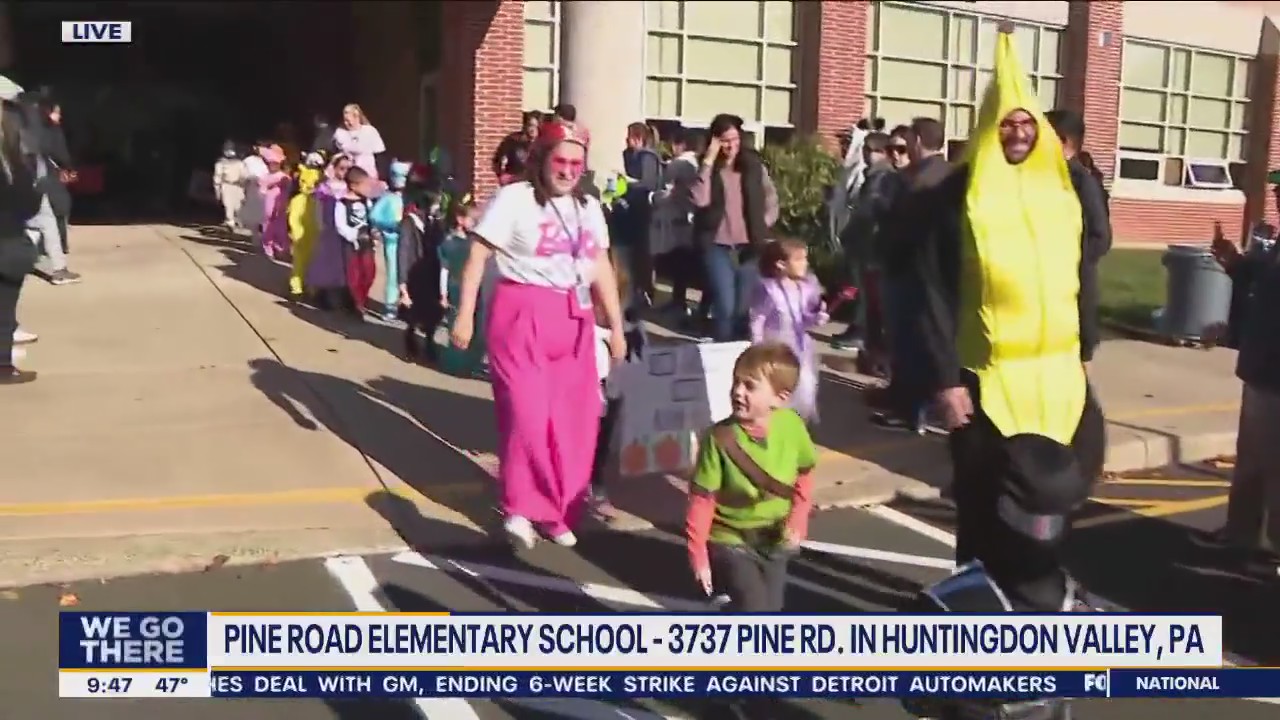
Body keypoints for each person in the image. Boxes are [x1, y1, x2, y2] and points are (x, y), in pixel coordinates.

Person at [903, 24, 1106, 612]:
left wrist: (1084, 347)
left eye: (1027, 122)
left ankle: (1034, 603)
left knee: (1049, 496)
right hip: (985, 381)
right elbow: (931, 290)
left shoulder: (1065, 190)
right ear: (991, 129)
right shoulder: (957, 196)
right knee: (981, 500)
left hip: (1058, 378)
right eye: (1007, 122)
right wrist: (944, 378)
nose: (1018, 132)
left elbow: (1083, 268)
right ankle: (969, 614)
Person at [450, 120, 627, 550]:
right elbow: (478, 254)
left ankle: (556, 509)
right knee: (526, 417)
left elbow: (600, 265)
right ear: (542, 159)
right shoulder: (515, 199)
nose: (568, 170)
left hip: (575, 316)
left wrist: (616, 327)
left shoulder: (589, 207)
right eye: (560, 160)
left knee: (575, 423)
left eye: (576, 163)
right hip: (521, 312)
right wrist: (465, 314)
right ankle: (518, 507)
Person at [685, 341, 816, 612]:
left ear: (780, 398)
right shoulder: (718, 439)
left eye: (750, 386)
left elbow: (805, 472)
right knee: (757, 610)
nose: (737, 392)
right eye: (736, 382)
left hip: (774, 538)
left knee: (772, 609)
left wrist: (799, 517)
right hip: (731, 539)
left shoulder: (792, 425)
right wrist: (698, 555)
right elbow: (702, 499)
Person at [1193, 214, 1280, 574]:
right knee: (1252, 463)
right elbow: (1263, 288)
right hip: (1261, 368)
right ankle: (1240, 533)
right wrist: (1234, 263)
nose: (1277, 196)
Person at [873, 116, 949, 433]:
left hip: (911, 272)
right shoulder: (951, 174)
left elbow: (903, 227)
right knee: (931, 343)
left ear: (917, 141)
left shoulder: (917, 180)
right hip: (939, 273)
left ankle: (911, 412)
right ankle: (924, 407)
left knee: (909, 343)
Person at [690, 113, 780, 342]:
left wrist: (764, 223)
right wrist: (708, 161)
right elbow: (699, 200)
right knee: (725, 305)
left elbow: (771, 199)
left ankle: (741, 353)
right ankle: (723, 351)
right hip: (717, 245)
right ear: (715, 141)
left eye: (735, 139)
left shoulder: (753, 167)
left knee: (743, 308)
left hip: (750, 245)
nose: (731, 145)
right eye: (725, 140)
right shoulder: (707, 168)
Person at [1045, 109, 1112, 364]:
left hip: (1072, 293)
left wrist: (1067, 267)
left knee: (1075, 377)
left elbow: (1100, 237)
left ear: (1064, 141)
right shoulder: (1048, 177)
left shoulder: (1081, 181)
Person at [749, 239, 828, 423]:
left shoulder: (806, 288)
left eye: (805, 259)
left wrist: (817, 316)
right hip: (775, 347)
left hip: (800, 348)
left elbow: (805, 319)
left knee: (805, 388)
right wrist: (757, 347)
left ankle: (797, 424)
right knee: (777, 389)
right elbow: (757, 319)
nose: (805, 264)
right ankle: (774, 424)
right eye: (799, 259)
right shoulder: (768, 289)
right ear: (781, 264)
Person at [833, 131, 897, 359]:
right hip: (863, 242)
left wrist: (853, 232)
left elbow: (869, 212)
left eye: (875, 150)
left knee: (867, 292)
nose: (869, 155)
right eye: (866, 150)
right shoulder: (871, 175)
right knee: (860, 288)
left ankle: (862, 332)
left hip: (871, 244)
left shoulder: (883, 177)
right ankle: (860, 329)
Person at [0, 98, 41, 384]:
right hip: (7, 241)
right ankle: (3, 365)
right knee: (4, 307)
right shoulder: (13, 164)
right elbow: (29, 204)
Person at [19, 93, 78, 286]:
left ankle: (27, 257)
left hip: (16, 180)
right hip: (34, 178)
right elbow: (55, 150)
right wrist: (68, 167)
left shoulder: (15, 123)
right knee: (46, 220)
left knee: (30, 222)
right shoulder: (40, 127)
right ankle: (58, 269)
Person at [397, 183, 448, 364]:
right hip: (414, 275)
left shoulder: (436, 222)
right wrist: (402, 283)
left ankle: (429, 342)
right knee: (413, 312)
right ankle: (410, 339)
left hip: (432, 272)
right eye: (434, 202)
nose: (437, 206)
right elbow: (403, 252)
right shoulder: (409, 222)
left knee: (432, 312)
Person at [614, 121, 663, 306]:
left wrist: (628, 182)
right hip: (630, 208)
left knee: (642, 252)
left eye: (630, 136)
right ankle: (633, 289)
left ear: (638, 138)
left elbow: (648, 183)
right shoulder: (629, 155)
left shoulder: (647, 157)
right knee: (631, 252)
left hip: (643, 210)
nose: (627, 140)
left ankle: (645, 290)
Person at [438, 202, 488, 378]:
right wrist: (443, 293)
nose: (476, 223)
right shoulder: (450, 242)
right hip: (456, 287)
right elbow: (444, 269)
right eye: (473, 220)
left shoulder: (475, 243)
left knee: (479, 327)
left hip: (475, 288)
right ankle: (455, 364)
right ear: (460, 219)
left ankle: (471, 363)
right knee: (456, 324)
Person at [307, 153, 354, 311]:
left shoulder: (350, 187)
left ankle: (344, 293)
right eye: (342, 168)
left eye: (348, 169)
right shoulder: (325, 187)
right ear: (334, 167)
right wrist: (319, 222)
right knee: (326, 260)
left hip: (345, 227)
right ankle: (322, 294)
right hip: (328, 227)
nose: (344, 172)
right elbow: (318, 206)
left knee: (344, 261)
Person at [334, 166, 380, 318]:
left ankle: (362, 297)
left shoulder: (367, 202)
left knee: (369, 273)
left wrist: (374, 232)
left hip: (367, 243)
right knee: (354, 275)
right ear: (353, 185)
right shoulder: (342, 203)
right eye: (364, 185)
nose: (368, 188)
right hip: (352, 245)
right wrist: (354, 235)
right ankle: (357, 304)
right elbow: (340, 225)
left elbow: (371, 219)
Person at [370, 161, 411, 321]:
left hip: (409, 242)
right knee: (393, 273)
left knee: (408, 273)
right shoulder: (387, 198)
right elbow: (374, 216)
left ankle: (406, 304)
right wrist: (391, 225)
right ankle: (391, 305)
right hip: (393, 240)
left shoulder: (410, 198)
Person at [286, 161, 323, 300]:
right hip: (300, 235)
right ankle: (296, 286)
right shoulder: (297, 200)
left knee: (314, 262)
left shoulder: (320, 200)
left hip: (316, 235)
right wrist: (295, 232)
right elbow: (293, 217)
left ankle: (312, 286)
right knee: (299, 261)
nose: (309, 186)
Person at [333, 104, 386, 179]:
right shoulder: (340, 132)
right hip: (347, 172)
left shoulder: (369, 131)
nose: (346, 123)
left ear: (357, 118)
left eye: (348, 121)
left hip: (367, 171)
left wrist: (381, 175)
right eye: (344, 120)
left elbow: (380, 155)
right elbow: (337, 152)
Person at [258, 145, 291, 260]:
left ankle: (281, 248)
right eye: (271, 164)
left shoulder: (283, 176)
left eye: (275, 164)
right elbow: (262, 191)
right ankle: (268, 247)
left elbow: (288, 187)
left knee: (281, 227)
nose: (273, 166)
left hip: (281, 202)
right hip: (268, 202)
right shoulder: (264, 177)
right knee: (268, 225)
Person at [492, 111, 541, 186]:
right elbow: (498, 159)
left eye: (536, 127)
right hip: (514, 182)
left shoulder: (544, 143)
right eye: (531, 125)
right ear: (525, 125)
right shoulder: (513, 140)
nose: (533, 129)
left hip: (535, 184)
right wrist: (502, 176)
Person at [213, 140, 247, 231]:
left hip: (238, 186)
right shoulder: (220, 163)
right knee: (228, 205)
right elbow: (217, 176)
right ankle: (230, 223)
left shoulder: (240, 163)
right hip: (226, 185)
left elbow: (244, 175)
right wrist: (217, 189)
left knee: (237, 206)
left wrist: (243, 185)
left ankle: (236, 221)